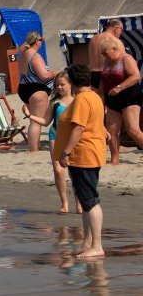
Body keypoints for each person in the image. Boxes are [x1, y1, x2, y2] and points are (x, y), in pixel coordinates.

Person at [56, 64, 107, 258]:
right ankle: (88, 242)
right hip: (91, 152)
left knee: (90, 200)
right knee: (86, 200)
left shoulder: (83, 99)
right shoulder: (94, 96)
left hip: (84, 154)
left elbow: (78, 129)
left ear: (72, 81)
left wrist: (65, 152)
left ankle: (97, 246)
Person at [22, 69, 79, 214]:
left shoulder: (78, 100)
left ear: (70, 84)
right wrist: (30, 116)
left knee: (75, 173)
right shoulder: (55, 103)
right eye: (57, 85)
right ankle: (64, 202)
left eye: (62, 84)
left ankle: (79, 202)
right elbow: (46, 122)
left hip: (74, 139)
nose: (59, 87)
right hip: (56, 137)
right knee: (58, 171)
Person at [97, 36, 143, 165]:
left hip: (130, 97)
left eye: (106, 53)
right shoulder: (106, 62)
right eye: (103, 54)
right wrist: (100, 96)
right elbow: (103, 81)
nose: (105, 56)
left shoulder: (126, 59)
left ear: (114, 49)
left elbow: (135, 76)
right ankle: (114, 160)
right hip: (112, 100)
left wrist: (120, 87)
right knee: (112, 131)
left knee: (133, 129)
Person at [16, 32, 56, 152]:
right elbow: (44, 76)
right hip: (36, 90)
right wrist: (54, 73)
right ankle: (33, 149)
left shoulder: (23, 54)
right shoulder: (35, 56)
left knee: (33, 119)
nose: (41, 43)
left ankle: (35, 145)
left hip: (23, 88)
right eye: (41, 41)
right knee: (36, 122)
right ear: (37, 42)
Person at [89, 18, 124, 91]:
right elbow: (123, 61)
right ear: (116, 29)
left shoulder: (93, 39)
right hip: (107, 75)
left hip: (93, 75)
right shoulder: (115, 41)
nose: (121, 33)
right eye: (121, 30)